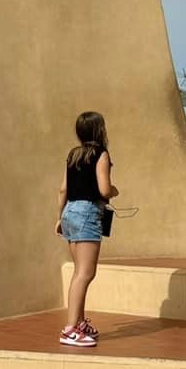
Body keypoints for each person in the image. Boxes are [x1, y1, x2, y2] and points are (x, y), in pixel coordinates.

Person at [56, 111, 116, 347]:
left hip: (69, 211)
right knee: (85, 273)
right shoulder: (101, 154)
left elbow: (63, 189)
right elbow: (104, 189)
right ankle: (70, 329)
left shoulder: (73, 155)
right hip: (87, 212)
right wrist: (114, 190)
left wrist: (59, 218)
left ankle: (79, 323)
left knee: (78, 272)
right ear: (100, 130)